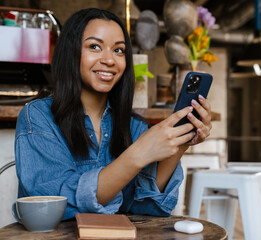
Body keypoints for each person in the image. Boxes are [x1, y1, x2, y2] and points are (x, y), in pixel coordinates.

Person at [15, 8, 212, 220]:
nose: (109, 60)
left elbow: (144, 207)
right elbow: (51, 203)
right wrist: (137, 155)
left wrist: (179, 144)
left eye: (118, 50)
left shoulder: (134, 126)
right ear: (71, 52)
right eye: (95, 47)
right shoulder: (39, 116)